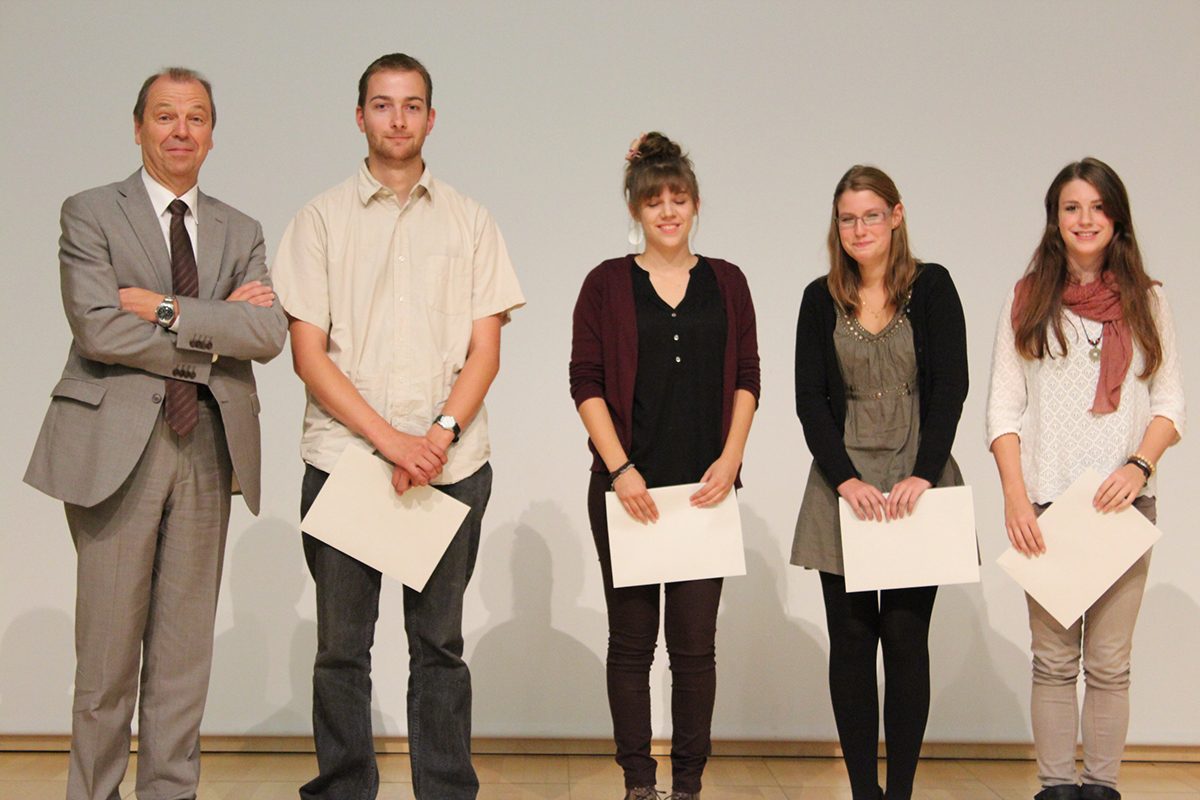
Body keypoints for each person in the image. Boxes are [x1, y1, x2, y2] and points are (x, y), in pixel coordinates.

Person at [23, 67, 287, 800]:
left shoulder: (240, 228)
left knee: (182, 661)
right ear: (137, 127)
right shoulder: (90, 212)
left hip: (207, 446)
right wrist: (214, 332)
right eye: (165, 116)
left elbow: (266, 334)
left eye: (196, 117)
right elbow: (98, 329)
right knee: (107, 661)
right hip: (116, 452)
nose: (180, 130)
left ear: (212, 134)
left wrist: (165, 310)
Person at [271, 53, 524, 800]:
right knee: (341, 651)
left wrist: (435, 438)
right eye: (382, 104)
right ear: (360, 117)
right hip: (347, 462)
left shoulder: (471, 220)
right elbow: (309, 356)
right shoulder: (319, 220)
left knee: (439, 646)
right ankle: (344, 789)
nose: (398, 118)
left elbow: (485, 350)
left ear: (431, 119)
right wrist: (392, 443)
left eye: (412, 105)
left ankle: (444, 791)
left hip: (451, 465)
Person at [986, 158, 1185, 800]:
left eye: (1098, 207)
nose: (1085, 219)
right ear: (1055, 218)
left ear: (1116, 217)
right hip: (1046, 508)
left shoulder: (1149, 299)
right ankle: (1055, 788)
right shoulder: (1027, 298)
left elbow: (1170, 403)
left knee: (1108, 665)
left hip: (1123, 508)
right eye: (1072, 207)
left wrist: (1139, 464)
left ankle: (1100, 788)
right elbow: (1002, 410)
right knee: (1052, 663)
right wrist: (1016, 498)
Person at [569, 132, 760, 800]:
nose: (668, 211)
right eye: (654, 202)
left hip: (705, 493)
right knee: (631, 645)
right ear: (636, 210)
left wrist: (731, 458)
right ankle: (637, 784)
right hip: (628, 490)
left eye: (678, 198)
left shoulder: (728, 282)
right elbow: (586, 382)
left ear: (696, 203)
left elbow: (748, 377)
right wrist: (620, 470)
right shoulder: (604, 284)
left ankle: (688, 786)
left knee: (695, 650)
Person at [791, 166, 968, 800]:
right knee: (851, 644)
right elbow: (809, 400)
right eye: (847, 218)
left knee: (905, 640)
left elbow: (951, 387)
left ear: (896, 216)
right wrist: (844, 480)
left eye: (871, 215)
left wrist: (924, 472)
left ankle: (901, 795)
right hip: (843, 488)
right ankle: (864, 792)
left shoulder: (933, 285)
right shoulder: (819, 298)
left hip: (917, 482)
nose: (859, 228)